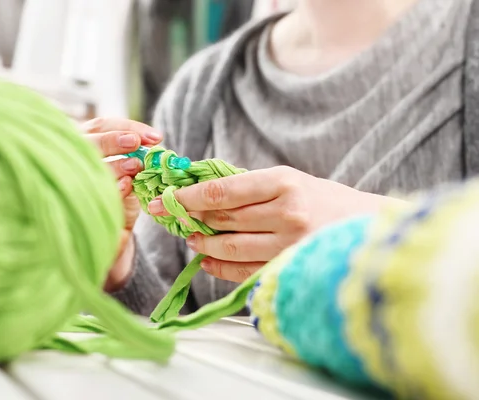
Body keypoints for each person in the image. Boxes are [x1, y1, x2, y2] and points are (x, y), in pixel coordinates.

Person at [83, 0, 479, 316]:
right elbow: (173, 334)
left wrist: (376, 234)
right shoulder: (198, 91)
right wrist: (117, 268)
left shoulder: (466, 44)